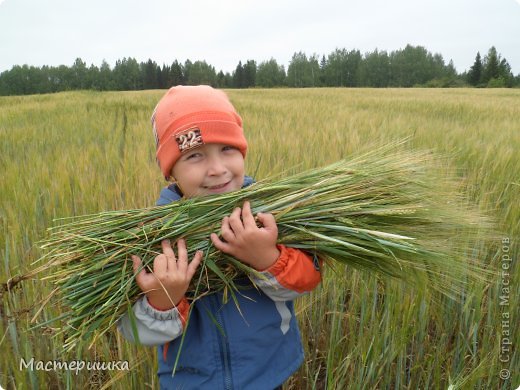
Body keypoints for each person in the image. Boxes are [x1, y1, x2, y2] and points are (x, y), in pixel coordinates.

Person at [118, 85, 321, 389]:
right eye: (195, 155)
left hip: (267, 376)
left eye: (227, 149)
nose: (217, 169)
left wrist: (266, 258)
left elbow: (308, 280)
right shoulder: (154, 238)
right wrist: (164, 299)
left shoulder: (269, 214)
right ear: (171, 172)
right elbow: (134, 330)